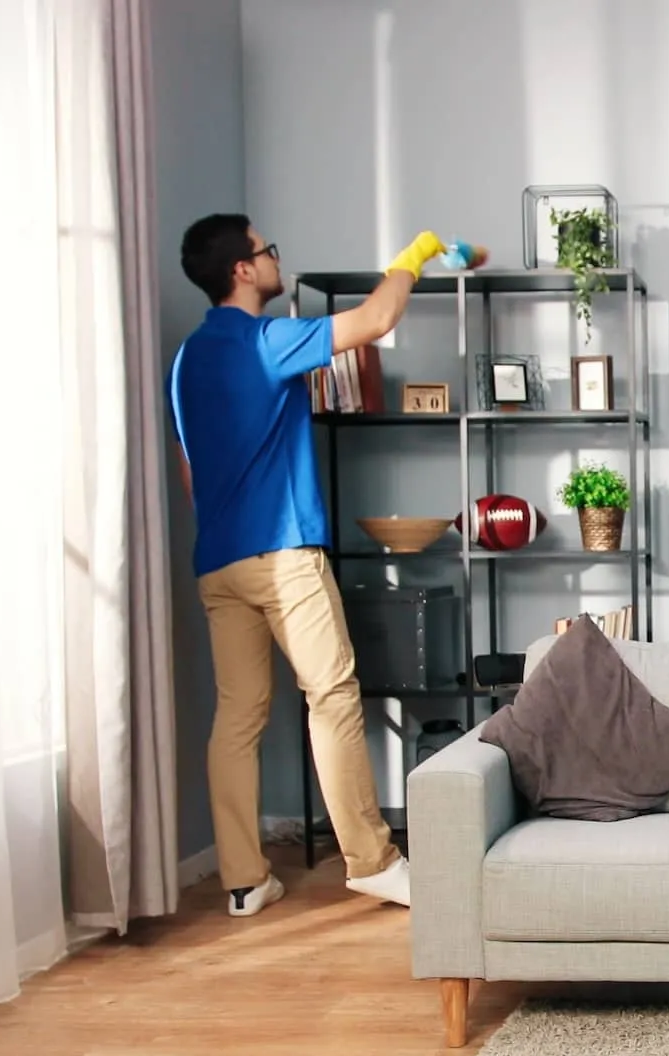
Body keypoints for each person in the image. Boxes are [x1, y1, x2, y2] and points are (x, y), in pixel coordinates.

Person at [169, 215, 470, 916]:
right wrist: (416, 253)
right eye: (266, 250)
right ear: (243, 271)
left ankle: (244, 881)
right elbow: (376, 316)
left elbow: (192, 474)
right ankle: (372, 859)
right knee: (332, 697)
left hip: (218, 561)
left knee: (238, 716)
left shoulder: (186, 362)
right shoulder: (265, 341)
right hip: (283, 554)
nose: (277, 257)